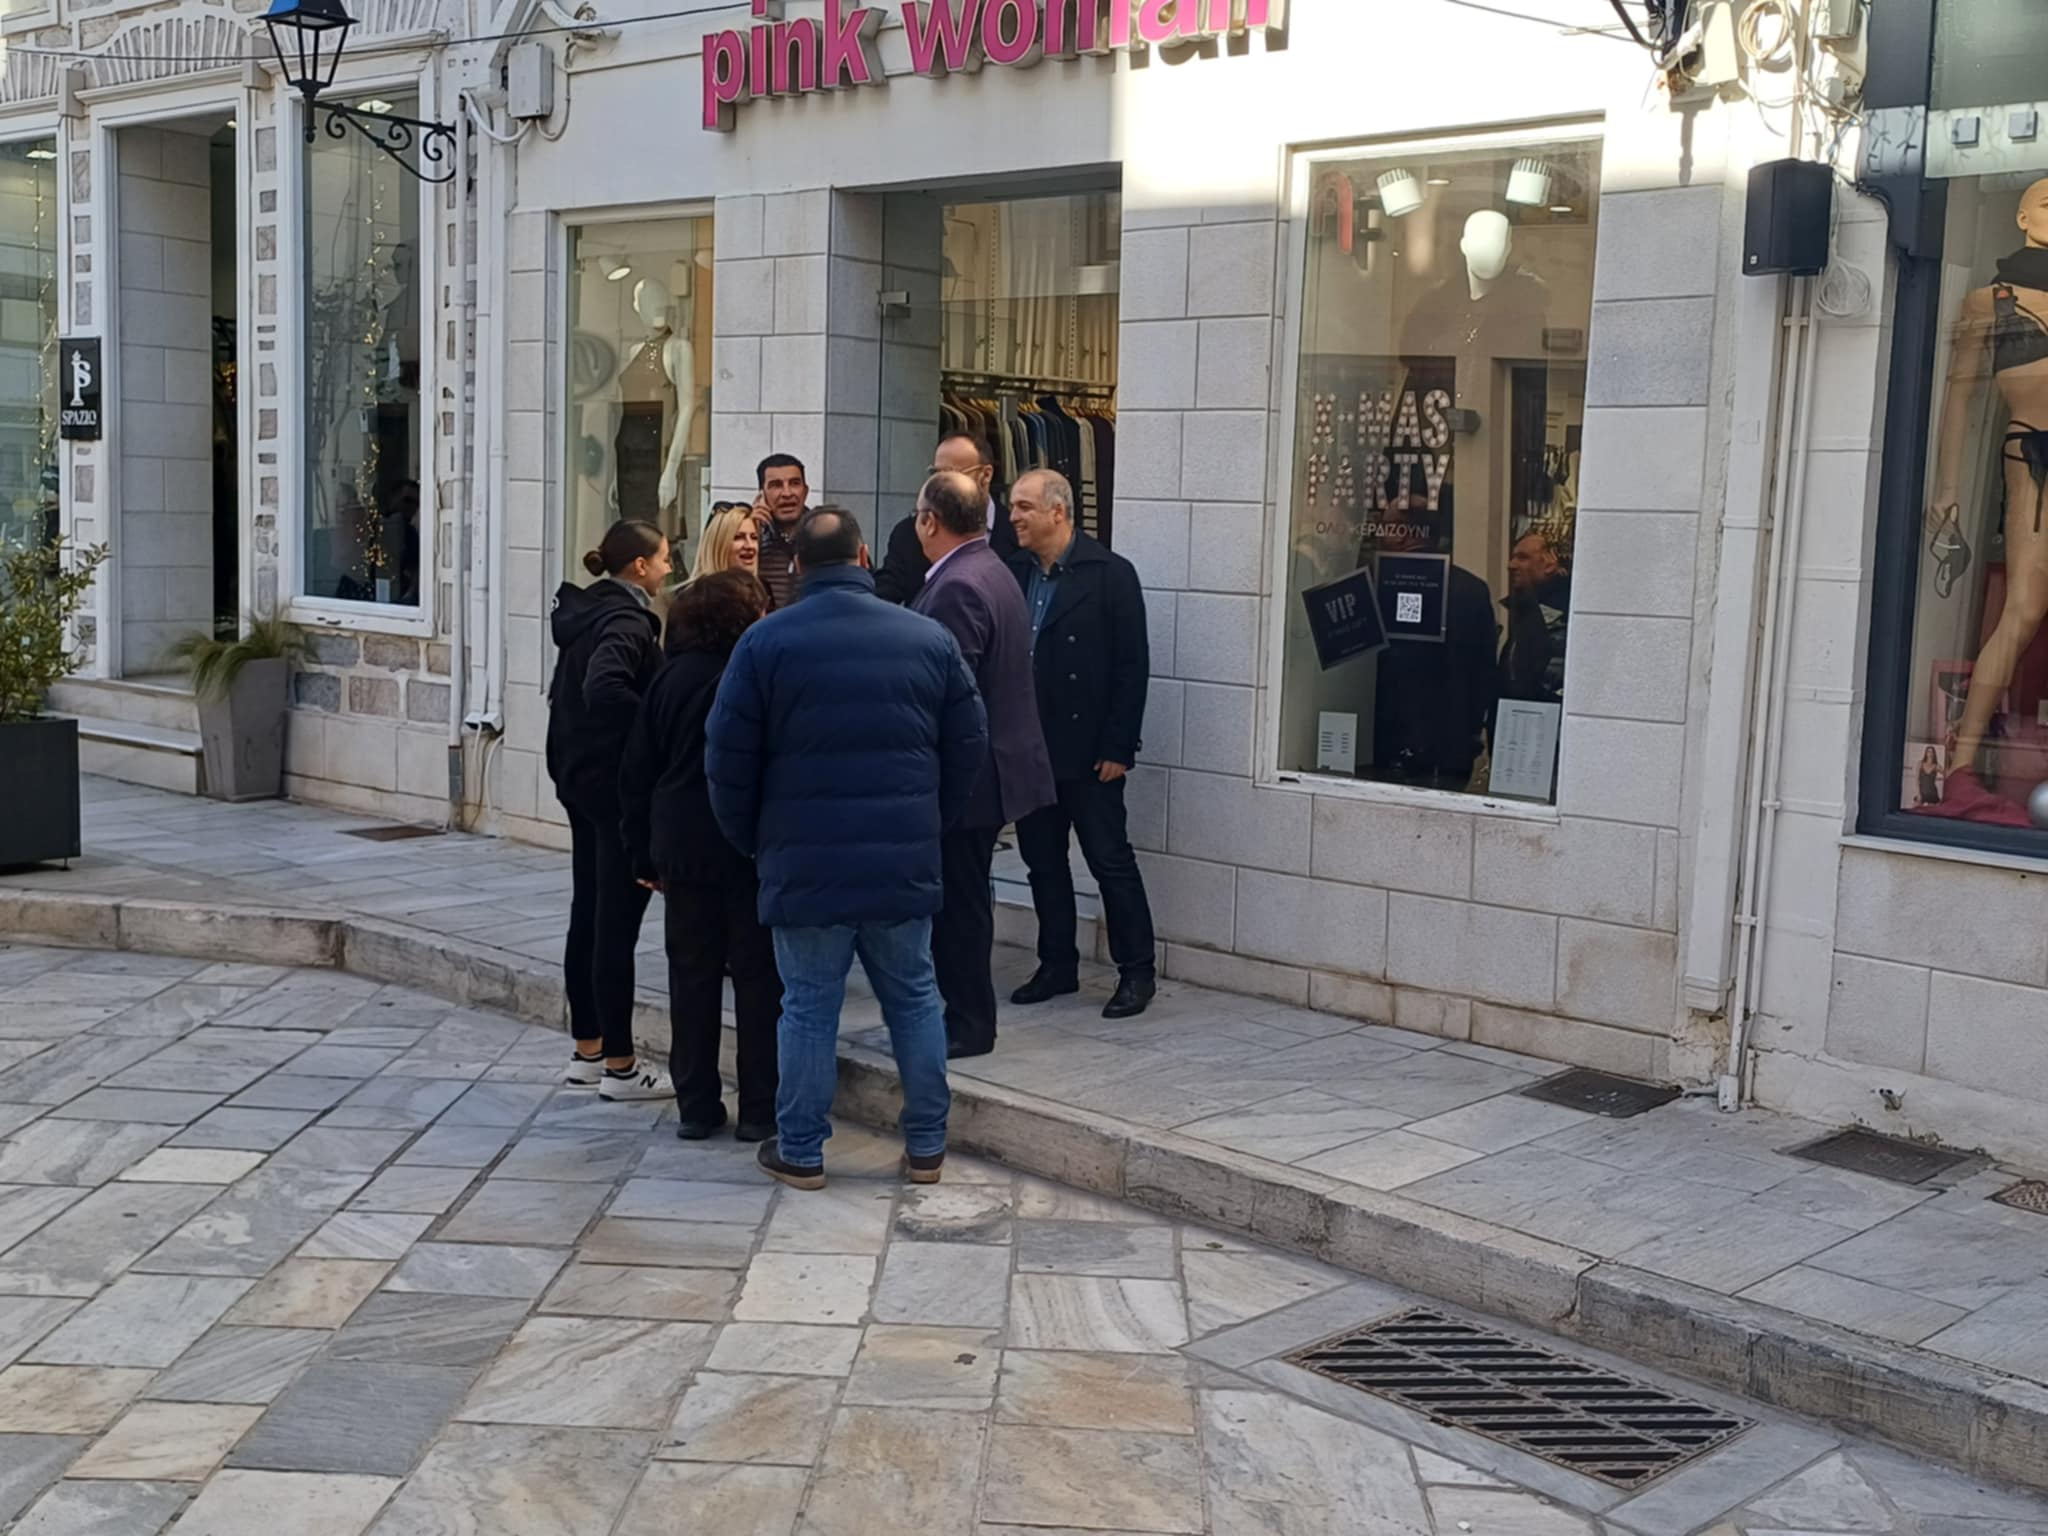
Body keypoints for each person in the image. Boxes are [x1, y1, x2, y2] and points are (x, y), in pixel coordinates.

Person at [707, 506, 987, 1191]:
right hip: (901, 861)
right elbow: (969, 744)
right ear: (864, 558)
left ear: (799, 565)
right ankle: (927, 1147)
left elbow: (726, 759)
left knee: (807, 1007)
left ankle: (802, 1150)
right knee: (915, 1000)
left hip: (804, 863)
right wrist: (932, 824)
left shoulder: (765, 642)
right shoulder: (926, 638)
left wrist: (752, 841)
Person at [620, 570, 782, 1141]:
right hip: (744, 845)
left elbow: (637, 771)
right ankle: (760, 1107)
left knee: (691, 975)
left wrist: (641, 855)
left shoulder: (669, 678)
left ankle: (696, 1104)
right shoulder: (750, 676)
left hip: (681, 845)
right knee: (759, 979)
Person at [909, 470, 1056, 1059]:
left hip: (969, 776)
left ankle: (967, 1023)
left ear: (929, 522)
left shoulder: (959, 585)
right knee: (967, 899)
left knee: (959, 906)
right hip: (991, 767)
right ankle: (967, 1016)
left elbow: (949, 693)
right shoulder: (990, 568)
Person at [1005, 469, 1159, 1020]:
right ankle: (1056, 964)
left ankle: (1137, 972)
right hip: (1032, 749)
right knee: (1042, 863)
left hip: (1092, 752)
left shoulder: (1111, 573)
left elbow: (1132, 666)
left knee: (1109, 861)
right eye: (1012, 506)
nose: (1014, 517)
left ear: (1058, 511)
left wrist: (1119, 745)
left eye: (1024, 507)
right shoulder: (1014, 571)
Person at [545, 519, 676, 1102]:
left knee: (590, 914)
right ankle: (621, 1066)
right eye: (664, 558)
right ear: (640, 567)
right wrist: (656, 725)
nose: (670, 567)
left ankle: (588, 1050)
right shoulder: (626, 621)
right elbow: (604, 688)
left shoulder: (589, 611)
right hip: (613, 791)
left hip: (580, 781)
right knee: (614, 925)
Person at [874, 434, 1020, 604]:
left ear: (986, 475)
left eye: (951, 474)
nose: (940, 484)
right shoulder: (910, 532)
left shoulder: (1017, 531)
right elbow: (884, 595)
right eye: (936, 474)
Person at [1497, 528, 1571, 707]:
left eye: (1522, 557)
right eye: (1513, 557)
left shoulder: (1563, 615)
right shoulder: (1526, 608)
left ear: (1549, 564)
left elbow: (1531, 680)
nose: (1511, 565)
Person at [751, 454, 809, 610]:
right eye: (776, 485)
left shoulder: (824, 534)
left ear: (805, 491)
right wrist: (753, 531)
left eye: (794, 483)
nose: (787, 493)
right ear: (761, 494)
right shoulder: (752, 540)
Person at [693, 502, 769, 598]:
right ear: (718, 545)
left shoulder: (762, 593)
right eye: (738, 537)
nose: (749, 545)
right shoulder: (695, 599)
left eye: (754, 537)